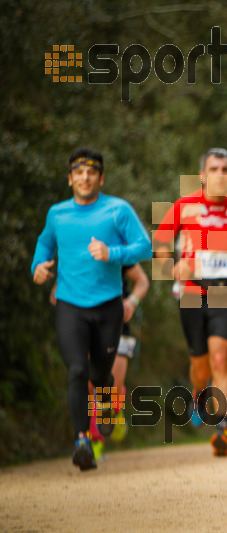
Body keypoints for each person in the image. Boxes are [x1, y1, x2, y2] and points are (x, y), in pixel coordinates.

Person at [31, 147, 151, 471]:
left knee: (100, 374)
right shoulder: (57, 214)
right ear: (70, 179)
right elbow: (45, 243)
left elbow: (145, 246)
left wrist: (111, 252)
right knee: (76, 371)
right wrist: (37, 266)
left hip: (108, 306)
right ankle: (82, 440)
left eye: (92, 172)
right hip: (70, 305)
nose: (85, 177)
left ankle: (108, 403)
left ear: (101, 177)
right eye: (78, 173)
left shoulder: (117, 210)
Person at [153, 147, 227, 457]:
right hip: (190, 292)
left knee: (221, 358)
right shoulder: (184, 206)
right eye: (214, 169)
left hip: (224, 292)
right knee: (200, 367)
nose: (220, 175)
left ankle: (223, 428)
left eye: (225, 170)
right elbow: (160, 245)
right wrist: (171, 267)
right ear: (202, 176)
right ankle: (199, 391)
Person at [49, 262, 150, 459]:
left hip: (117, 323)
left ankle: (117, 408)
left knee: (112, 384)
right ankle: (94, 440)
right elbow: (57, 291)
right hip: (85, 322)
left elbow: (142, 282)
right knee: (90, 382)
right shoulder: (75, 249)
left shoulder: (118, 249)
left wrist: (132, 302)